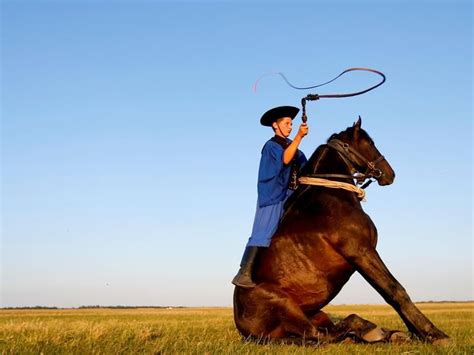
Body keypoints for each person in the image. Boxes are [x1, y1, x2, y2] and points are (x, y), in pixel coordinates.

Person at [232, 105, 309, 288]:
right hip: (274, 195)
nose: (291, 126)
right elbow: (285, 159)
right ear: (275, 125)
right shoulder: (271, 146)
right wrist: (299, 136)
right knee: (263, 232)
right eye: (287, 123)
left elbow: (306, 169)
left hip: (292, 196)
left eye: (292, 124)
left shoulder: (296, 150)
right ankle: (244, 273)